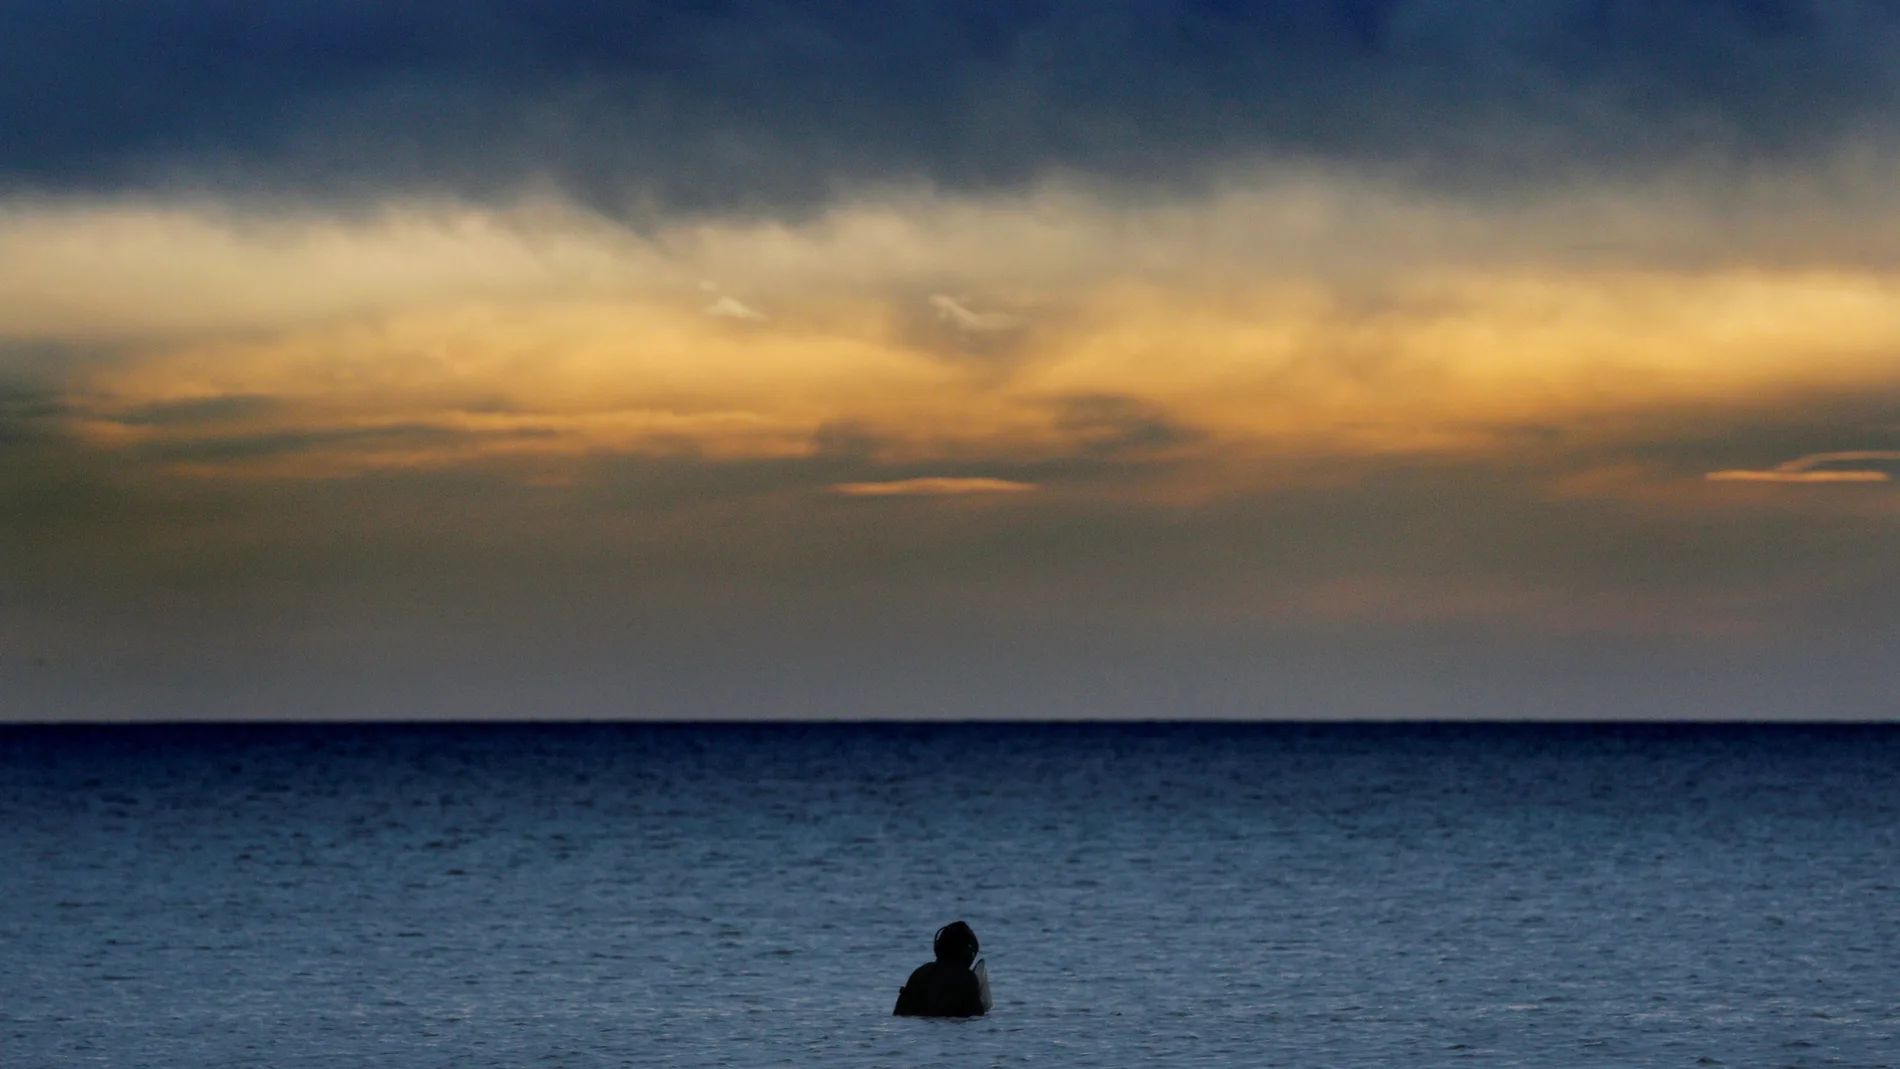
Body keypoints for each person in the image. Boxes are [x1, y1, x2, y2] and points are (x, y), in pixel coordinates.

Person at [893, 921, 992, 1017]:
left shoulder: (919, 973)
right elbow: (977, 1016)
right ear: (969, 954)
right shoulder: (967, 979)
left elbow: (899, 1014)